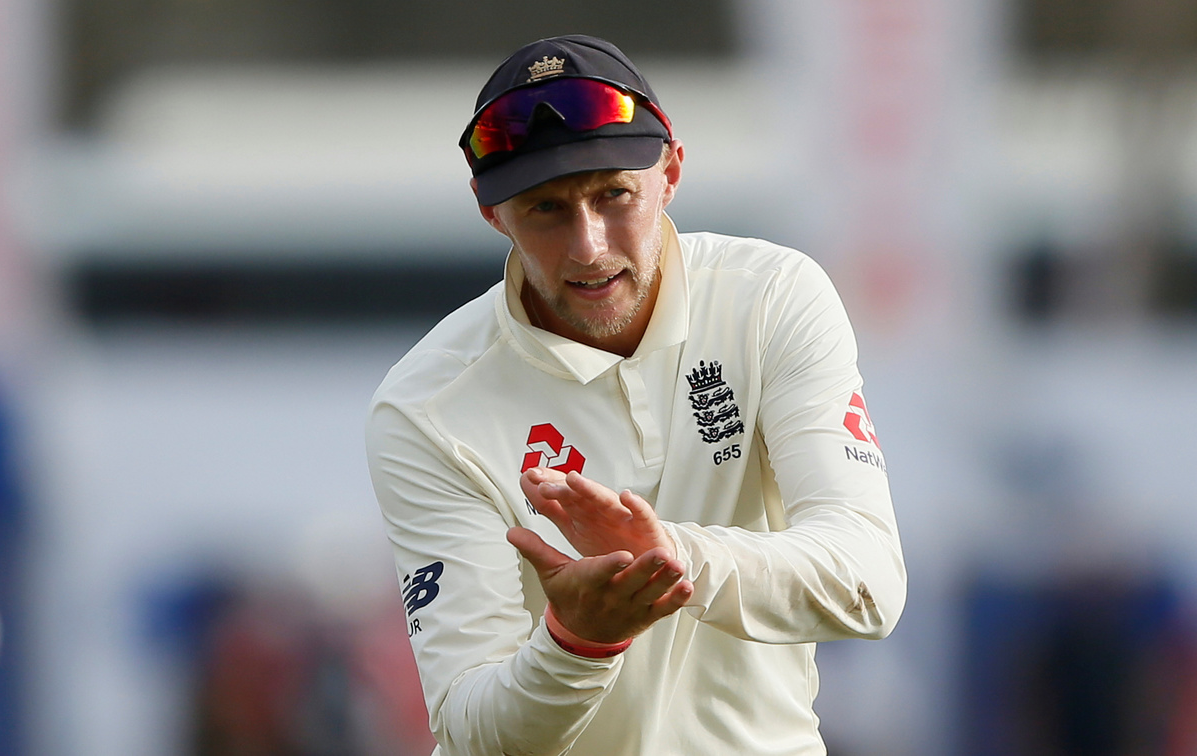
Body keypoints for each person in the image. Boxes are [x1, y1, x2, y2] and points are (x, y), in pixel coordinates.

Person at [366, 34, 906, 756]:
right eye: (546, 208)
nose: (588, 246)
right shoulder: (426, 405)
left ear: (670, 171)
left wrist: (670, 557)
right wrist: (578, 642)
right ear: (492, 213)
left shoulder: (770, 298)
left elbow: (868, 582)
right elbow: (472, 728)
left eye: (613, 194)